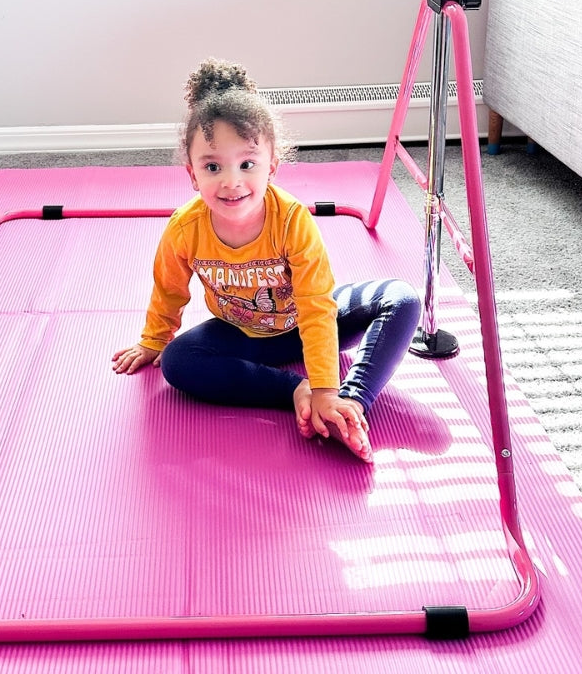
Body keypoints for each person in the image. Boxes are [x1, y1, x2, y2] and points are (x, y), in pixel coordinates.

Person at [111, 58, 421, 463]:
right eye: (212, 167)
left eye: (247, 164)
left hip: (308, 322)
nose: (232, 181)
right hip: (241, 334)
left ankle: (352, 404)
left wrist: (330, 389)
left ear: (272, 166)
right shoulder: (184, 228)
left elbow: (315, 304)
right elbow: (169, 288)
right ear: (192, 174)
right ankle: (294, 392)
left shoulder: (292, 221)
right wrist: (154, 340)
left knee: (401, 298)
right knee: (177, 363)